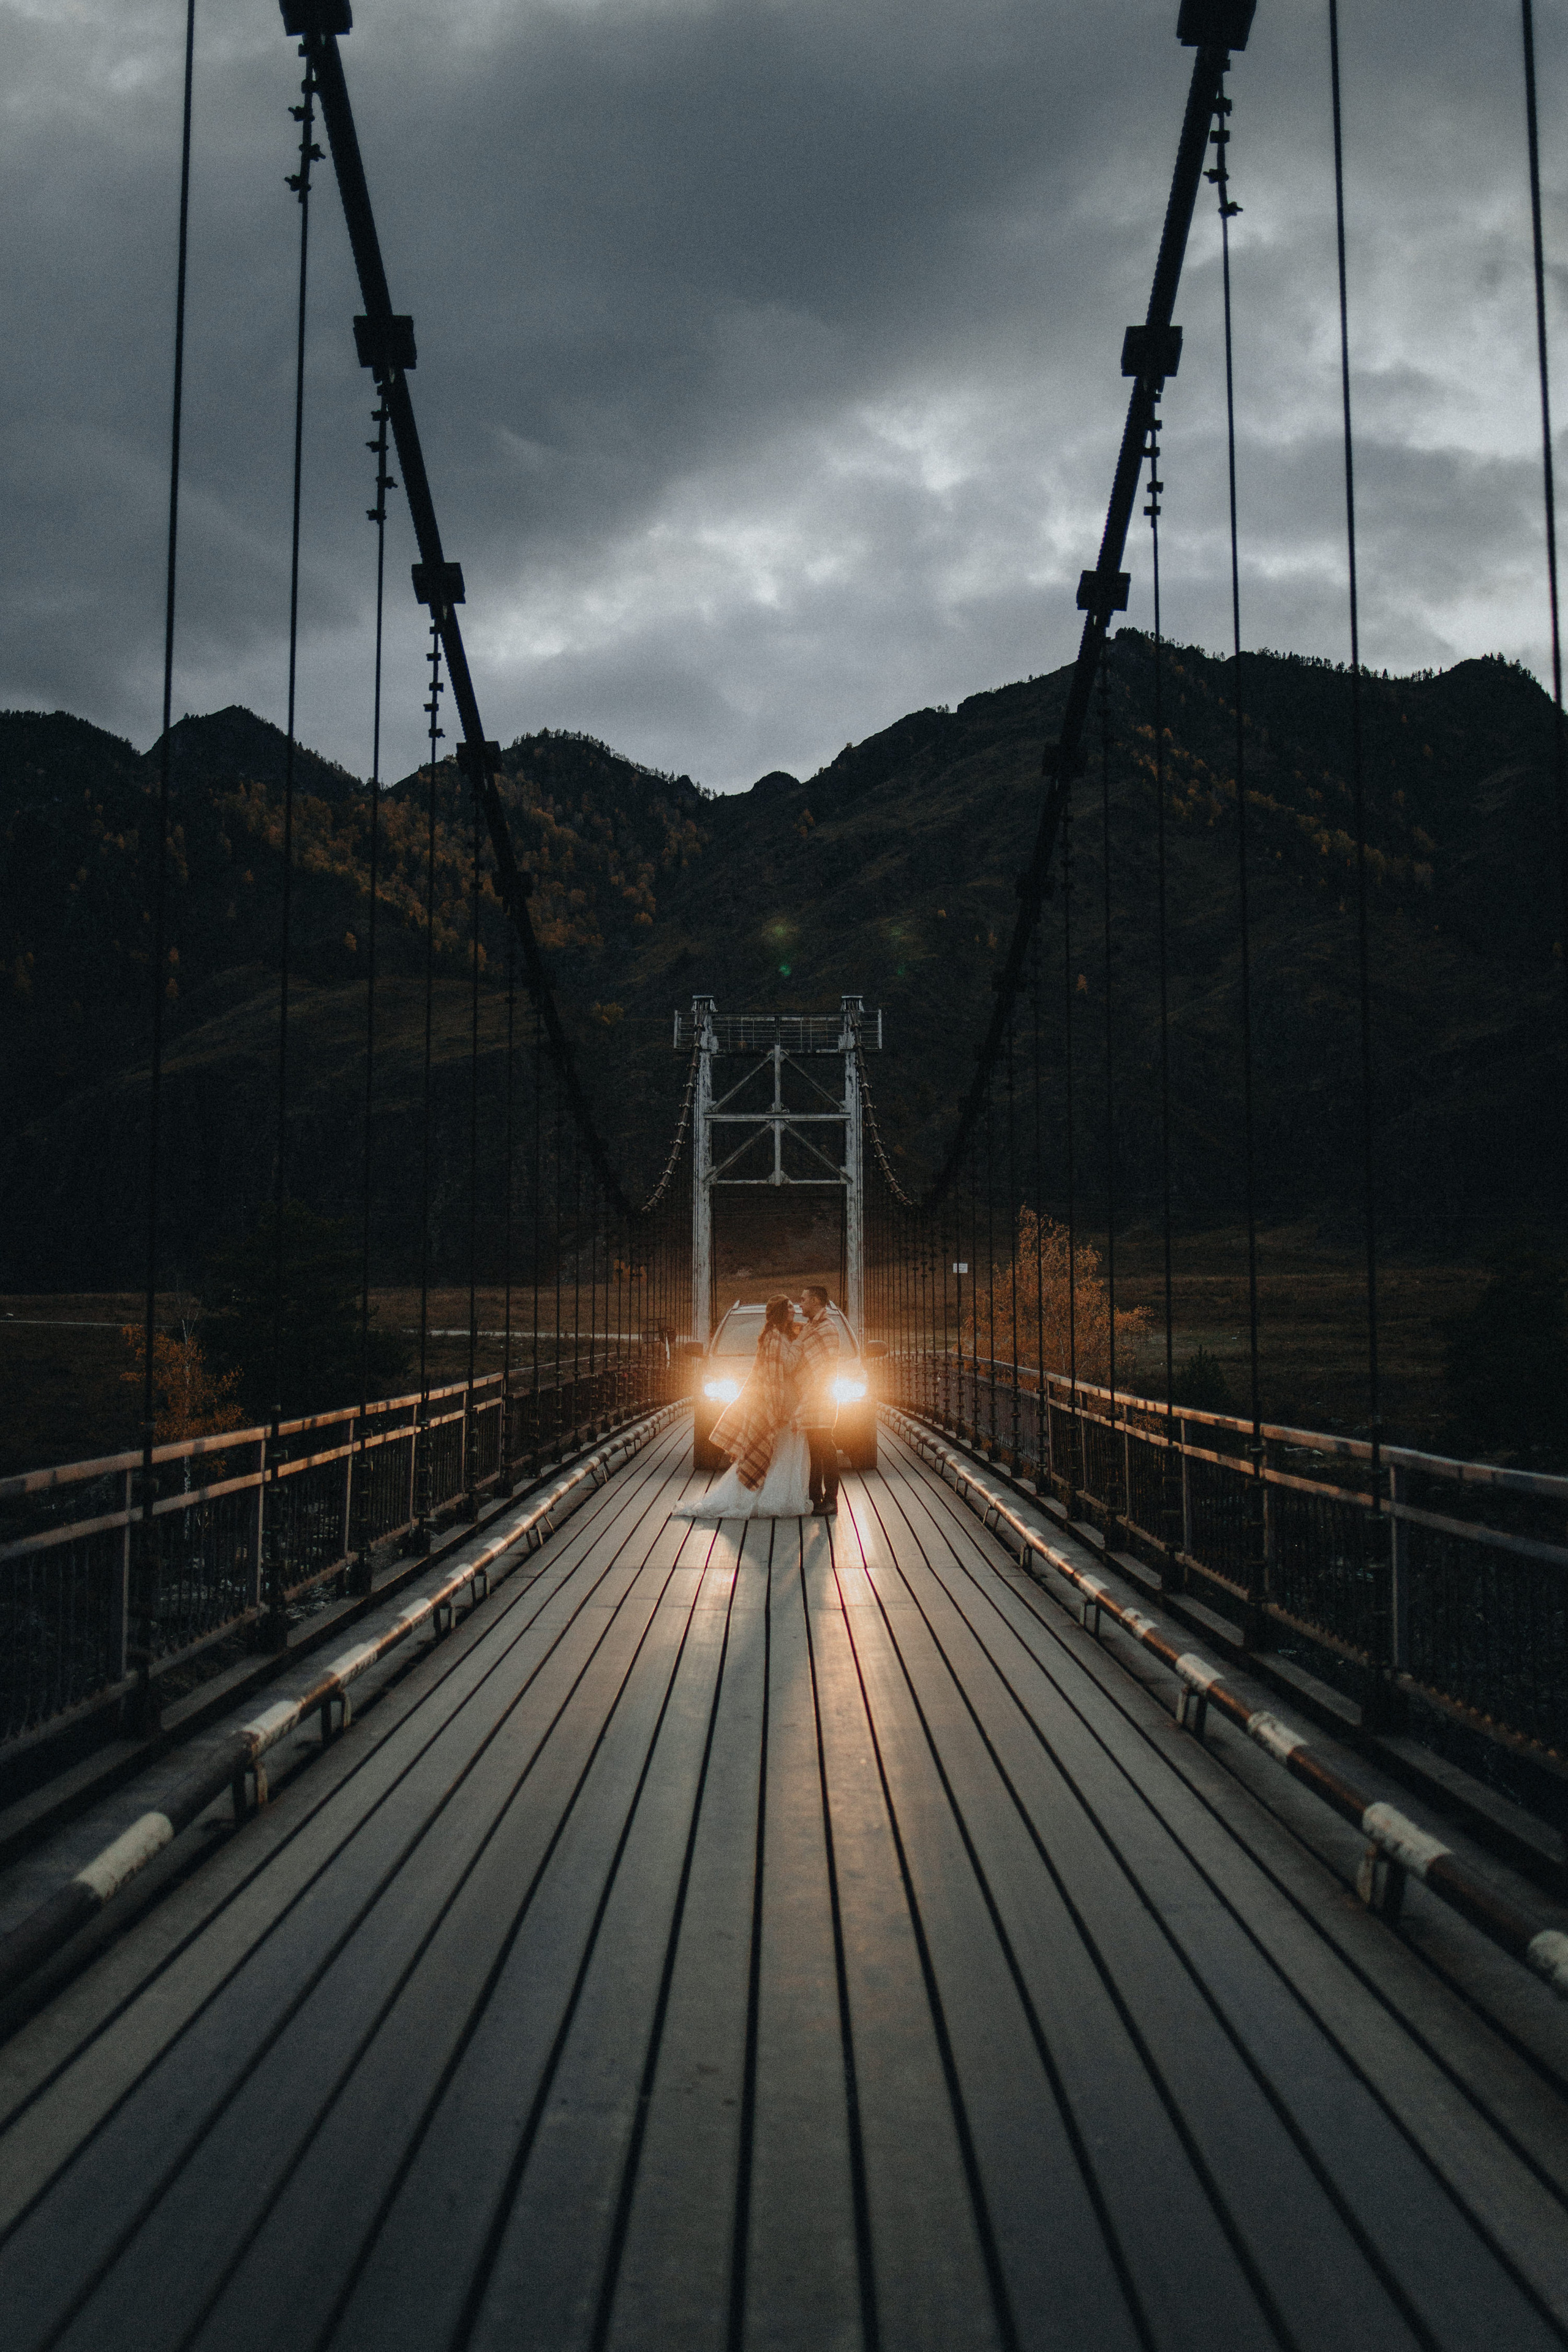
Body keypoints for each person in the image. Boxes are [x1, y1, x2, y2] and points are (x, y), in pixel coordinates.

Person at [674, 1297, 812, 1520]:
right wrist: (800, 1341)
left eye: (792, 1306)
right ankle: (771, 1500)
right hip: (781, 1403)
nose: (792, 1310)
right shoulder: (774, 1337)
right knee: (781, 1453)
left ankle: (777, 1497)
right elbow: (786, 1365)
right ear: (778, 1312)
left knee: (782, 1453)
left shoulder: (780, 1334)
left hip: (788, 1400)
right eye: (787, 1307)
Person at [797, 1283, 843, 1516]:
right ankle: (815, 1498)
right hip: (811, 1396)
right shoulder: (811, 1327)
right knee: (815, 1449)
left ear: (815, 1301)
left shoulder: (827, 1328)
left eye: (804, 1299)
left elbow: (822, 1366)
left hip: (822, 1396)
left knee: (825, 1446)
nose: (800, 1304)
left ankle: (831, 1500)